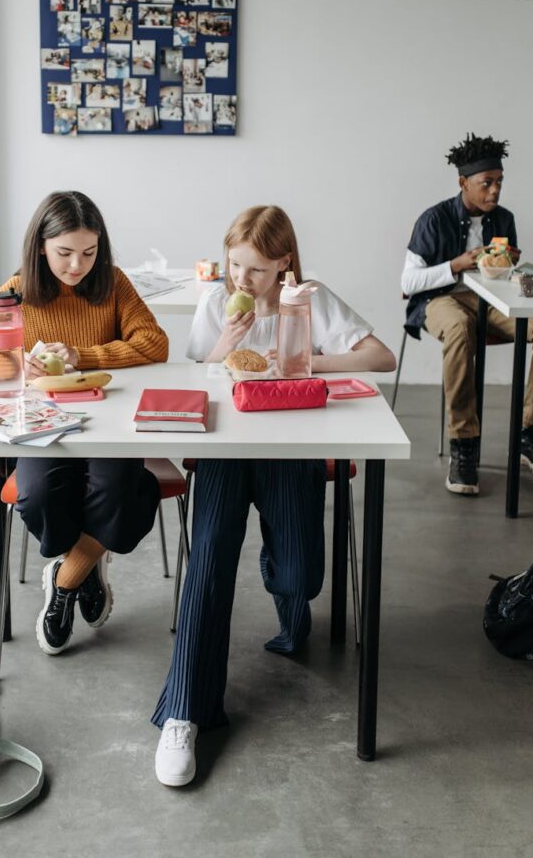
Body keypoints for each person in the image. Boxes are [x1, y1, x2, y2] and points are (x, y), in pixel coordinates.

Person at [151, 205, 395, 787]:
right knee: (207, 563)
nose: (242, 280)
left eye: (256, 270)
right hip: (226, 450)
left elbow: (380, 357)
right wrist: (223, 349)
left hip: (291, 446)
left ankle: (286, 592)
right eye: (236, 265)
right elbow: (194, 380)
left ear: (284, 263)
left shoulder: (308, 300)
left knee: (300, 578)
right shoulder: (217, 303)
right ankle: (183, 712)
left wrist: (308, 359)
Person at [0, 191, 169, 655]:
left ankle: (66, 581)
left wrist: (82, 356)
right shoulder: (15, 290)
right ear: (41, 247)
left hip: (108, 424)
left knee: (121, 492)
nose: (76, 266)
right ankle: (86, 566)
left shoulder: (112, 284)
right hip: (44, 426)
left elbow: (154, 343)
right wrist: (13, 362)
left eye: (89, 252)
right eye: (64, 253)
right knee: (39, 495)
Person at [401, 132, 533, 495]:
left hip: (493, 301)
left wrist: (511, 266)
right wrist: (455, 265)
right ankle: (464, 444)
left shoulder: (504, 219)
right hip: (441, 300)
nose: (495, 192)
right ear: (463, 183)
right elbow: (408, 282)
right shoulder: (434, 219)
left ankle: (530, 431)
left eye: (499, 182)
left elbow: (507, 275)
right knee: (459, 329)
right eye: (486, 183)